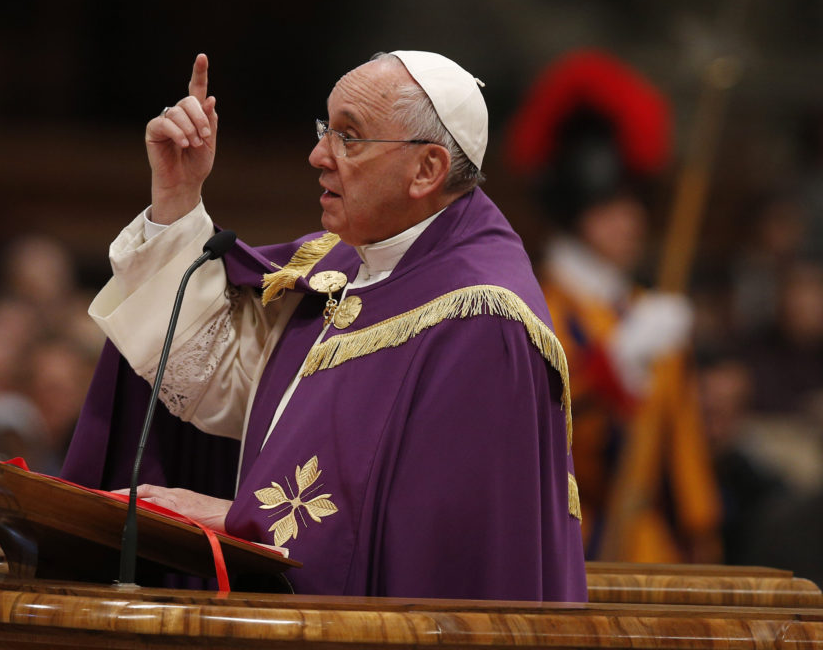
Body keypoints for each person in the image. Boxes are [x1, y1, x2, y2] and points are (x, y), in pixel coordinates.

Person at [63, 51, 587, 601]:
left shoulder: (482, 320)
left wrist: (238, 521)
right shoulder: (344, 266)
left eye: (349, 137)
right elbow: (225, 385)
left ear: (427, 169)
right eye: (324, 129)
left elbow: (437, 547)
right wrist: (177, 197)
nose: (318, 155)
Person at [506, 50, 721, 563]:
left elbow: (683, 444)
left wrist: (702, 533)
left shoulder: (649, 311)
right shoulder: (535, 304)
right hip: (571, 545)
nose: (630, 221)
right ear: (575, 213)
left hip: (657, 546)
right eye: (609, 207)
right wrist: (613, 363)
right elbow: (533, 422)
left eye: (634, 204)